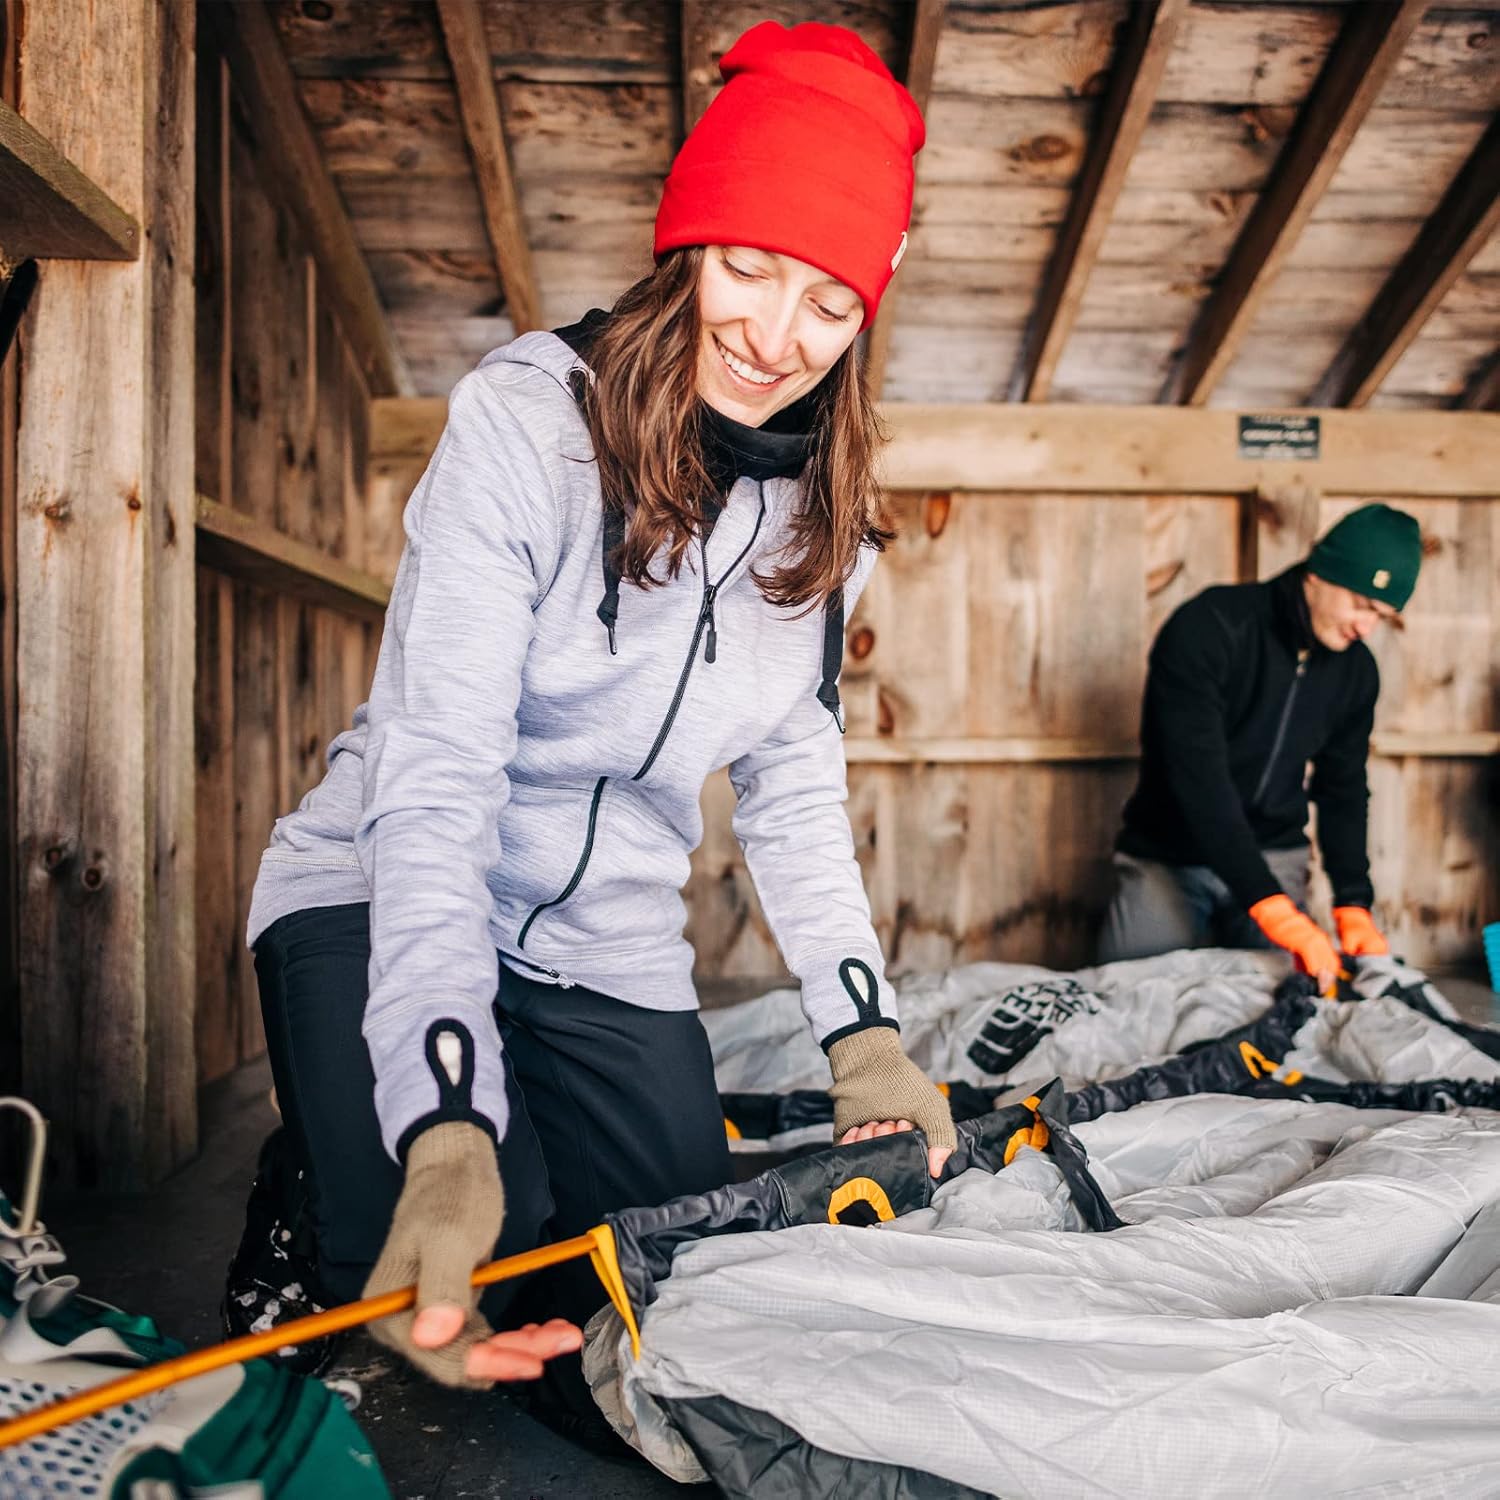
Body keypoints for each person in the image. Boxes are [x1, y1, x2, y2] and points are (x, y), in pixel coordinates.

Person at [223, 18, 955, 1424]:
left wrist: (862, 1035)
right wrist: (444, 1127)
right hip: (386, 887)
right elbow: (435, 775)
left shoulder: (832, 514)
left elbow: (795, 783)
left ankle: (448, 1133)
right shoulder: (527, 427)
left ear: (873, 306)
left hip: (603, 939)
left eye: (828, 302)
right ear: (686, 244)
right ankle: (318, 1185)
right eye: (746, 268)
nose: (773, 336)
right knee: (426, 1261)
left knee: (644, 1296)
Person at [1097, 503, 1424, 989]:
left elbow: (1343, 789)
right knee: (1124, 993)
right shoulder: (1210, 627)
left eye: (1381, 616)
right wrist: (1269, 906)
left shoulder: (1357, 672)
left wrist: (1353, 901)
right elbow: (1197, 778)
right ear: (1319, 574)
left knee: (1285, 1005)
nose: (1366, 628)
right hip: (1169, 853)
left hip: (1275, 852)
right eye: (1361, 604)